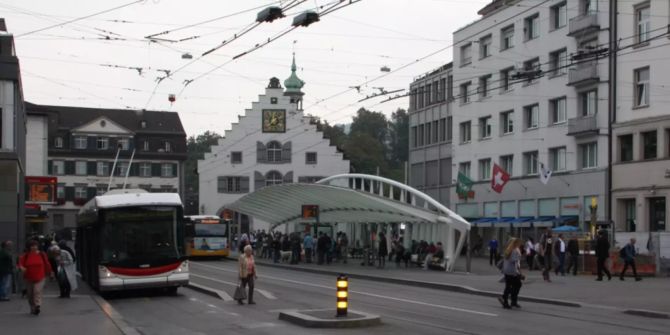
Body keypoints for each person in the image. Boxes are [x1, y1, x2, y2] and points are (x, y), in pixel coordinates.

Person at [18, 240, 53, 315]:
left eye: (35, 245)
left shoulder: (42, 254)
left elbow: (47, 263)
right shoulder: (26, 255)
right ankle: (32, 307)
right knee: (30, 294)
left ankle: (37, 305)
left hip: (40, 277)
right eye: (32, 246)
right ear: (29, 247)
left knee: (37, 291)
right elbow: (20, 264)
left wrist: (50, 272)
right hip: (29, 277)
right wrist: (21, 268)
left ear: (38, 246)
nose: (34, 247)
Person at [498, 238, 524, 309]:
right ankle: (508, 300)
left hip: (506, 271)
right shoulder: (514, 250)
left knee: (509, 286)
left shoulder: (508, 250)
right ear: (515, 243)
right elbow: (515, 263)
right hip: (512, 271)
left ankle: (508, 301)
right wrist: (520, 273)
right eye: (518, 243)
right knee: (517, 284)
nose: (519, 244)